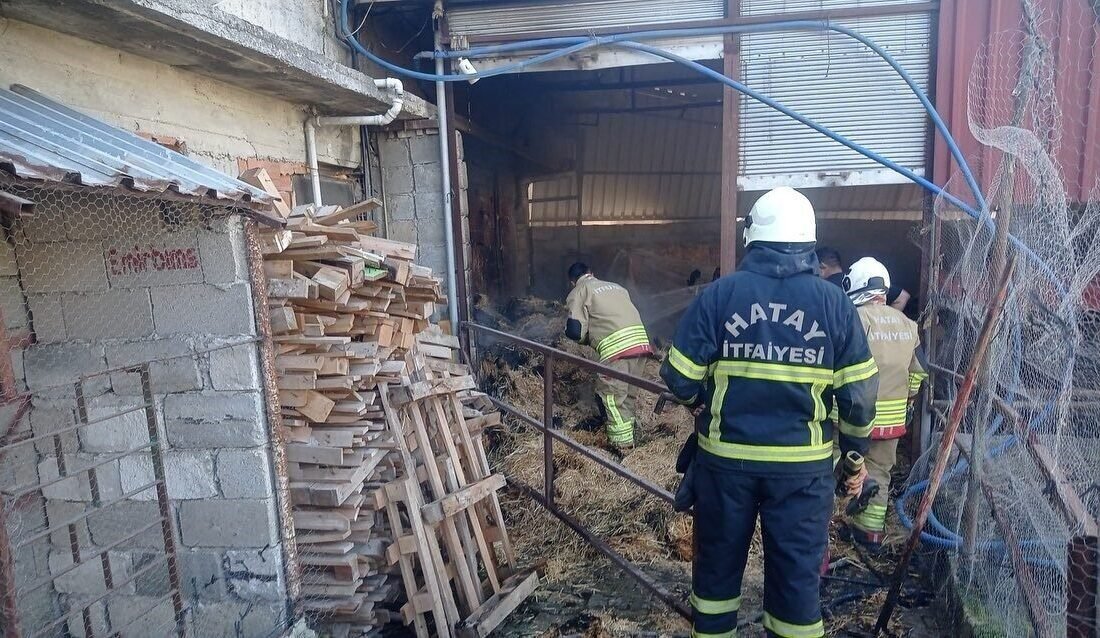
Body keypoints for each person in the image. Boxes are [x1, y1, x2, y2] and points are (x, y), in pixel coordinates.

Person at [661, 187, 878, 638]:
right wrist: (854, 457)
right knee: (796, 587)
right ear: (808, 240)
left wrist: (699, 401)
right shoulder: (835, 304)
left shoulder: (720, 294)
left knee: (716, 576)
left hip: (725, 465)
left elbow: (679, 376)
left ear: (752, 236)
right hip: (803, 473)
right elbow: (858, 399)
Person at [841, 257, 927, 549]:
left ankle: (835, 518)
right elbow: (919, 372)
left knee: (838, 464)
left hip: (855, 415)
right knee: (880, 470)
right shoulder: (908, 325)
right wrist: (908, 401)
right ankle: (871, 534)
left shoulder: (855, 319)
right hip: (893, 420)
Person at [565, 262, 652, 450]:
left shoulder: (579, 292)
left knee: (611, 398)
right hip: (641, 345)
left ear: (572, 282)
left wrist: (587, 339)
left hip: (617, 351)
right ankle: (632, 438)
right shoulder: (617, 287)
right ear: (592, 273)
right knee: (627, 396)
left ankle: (622, 447)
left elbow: (575, 332)